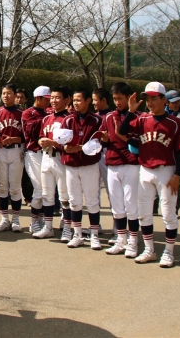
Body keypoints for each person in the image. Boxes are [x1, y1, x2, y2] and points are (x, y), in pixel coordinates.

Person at [119, 82, 180, 267]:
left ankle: (169, 251)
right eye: (148, 99)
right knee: (144, 213)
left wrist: (178, 174)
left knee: (168, 213)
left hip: (166, 171)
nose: (150, 103)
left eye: (154, 99)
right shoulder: (142, 119)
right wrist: (131, 111)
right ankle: (149, 249)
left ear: (164, 100)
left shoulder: (175, 122)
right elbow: (122, 131)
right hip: (145, 170)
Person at [100, 82, 141, 258]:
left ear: (129, 98)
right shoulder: (109, 116)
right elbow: (103, 138)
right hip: (113, 163)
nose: (117, 102)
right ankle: (121, 239)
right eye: (115, 98)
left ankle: (133, 241)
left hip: (131, 164)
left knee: (131, 204)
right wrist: (104, 139)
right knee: (117, 205)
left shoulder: (139, 117)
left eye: (120, 98)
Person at [60, 89, 103, 250]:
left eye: (79, 100)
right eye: (74, 100)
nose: (76, 103)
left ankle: (94, 235)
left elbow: (99, 143)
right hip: (71, 165)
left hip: (89, 165)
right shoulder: (68, 120)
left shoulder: (97, 120)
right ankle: (77, 234)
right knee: (74, 201)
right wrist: (64, 147)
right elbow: (60, 140)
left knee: (92, 201)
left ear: (88, 101)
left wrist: (81, 147)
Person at [0, 84, 25, 233]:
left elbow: (27, 136)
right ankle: (4, 219)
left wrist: (15, 139)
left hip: (16, 150)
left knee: (15, 187)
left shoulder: (22, 114)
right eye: (4, 93)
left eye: (9, 93)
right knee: (2, 186)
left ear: (15, 95)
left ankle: (16, 219)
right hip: (1, 150)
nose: (6, 96)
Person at [34, 86, 71, 240]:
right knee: (47, 195)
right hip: (46, 157)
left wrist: (54, 143)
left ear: (66, 100)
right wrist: (41, 141)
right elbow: (40, 136)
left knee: (64, 196)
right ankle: (48, 227)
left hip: (61, 159)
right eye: (52, 97)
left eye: (58, 97)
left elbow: (71, 143)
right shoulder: (46, 118)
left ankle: (67, 228)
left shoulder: (69, 119)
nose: (54, 101)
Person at [22, 86, 51, 234]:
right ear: (38, 98)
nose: (48, 102)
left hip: (47, 153)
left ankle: (41, 219)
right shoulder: (28, 113)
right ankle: (34, 222)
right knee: (39, 189)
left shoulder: (48, 113)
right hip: (33, 153)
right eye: (46, 99)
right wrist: (48, 120)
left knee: (47, 190)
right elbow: (31, 132)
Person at [92, 87, 113, 241]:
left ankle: (118, 226)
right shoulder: (93, 117)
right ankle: (95, 225)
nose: (93, 103)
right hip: (94, 154)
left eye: (95, 100)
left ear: (104, 100)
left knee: (112, 190)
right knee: (94, 191)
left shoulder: (112, 116)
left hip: (107, 154)